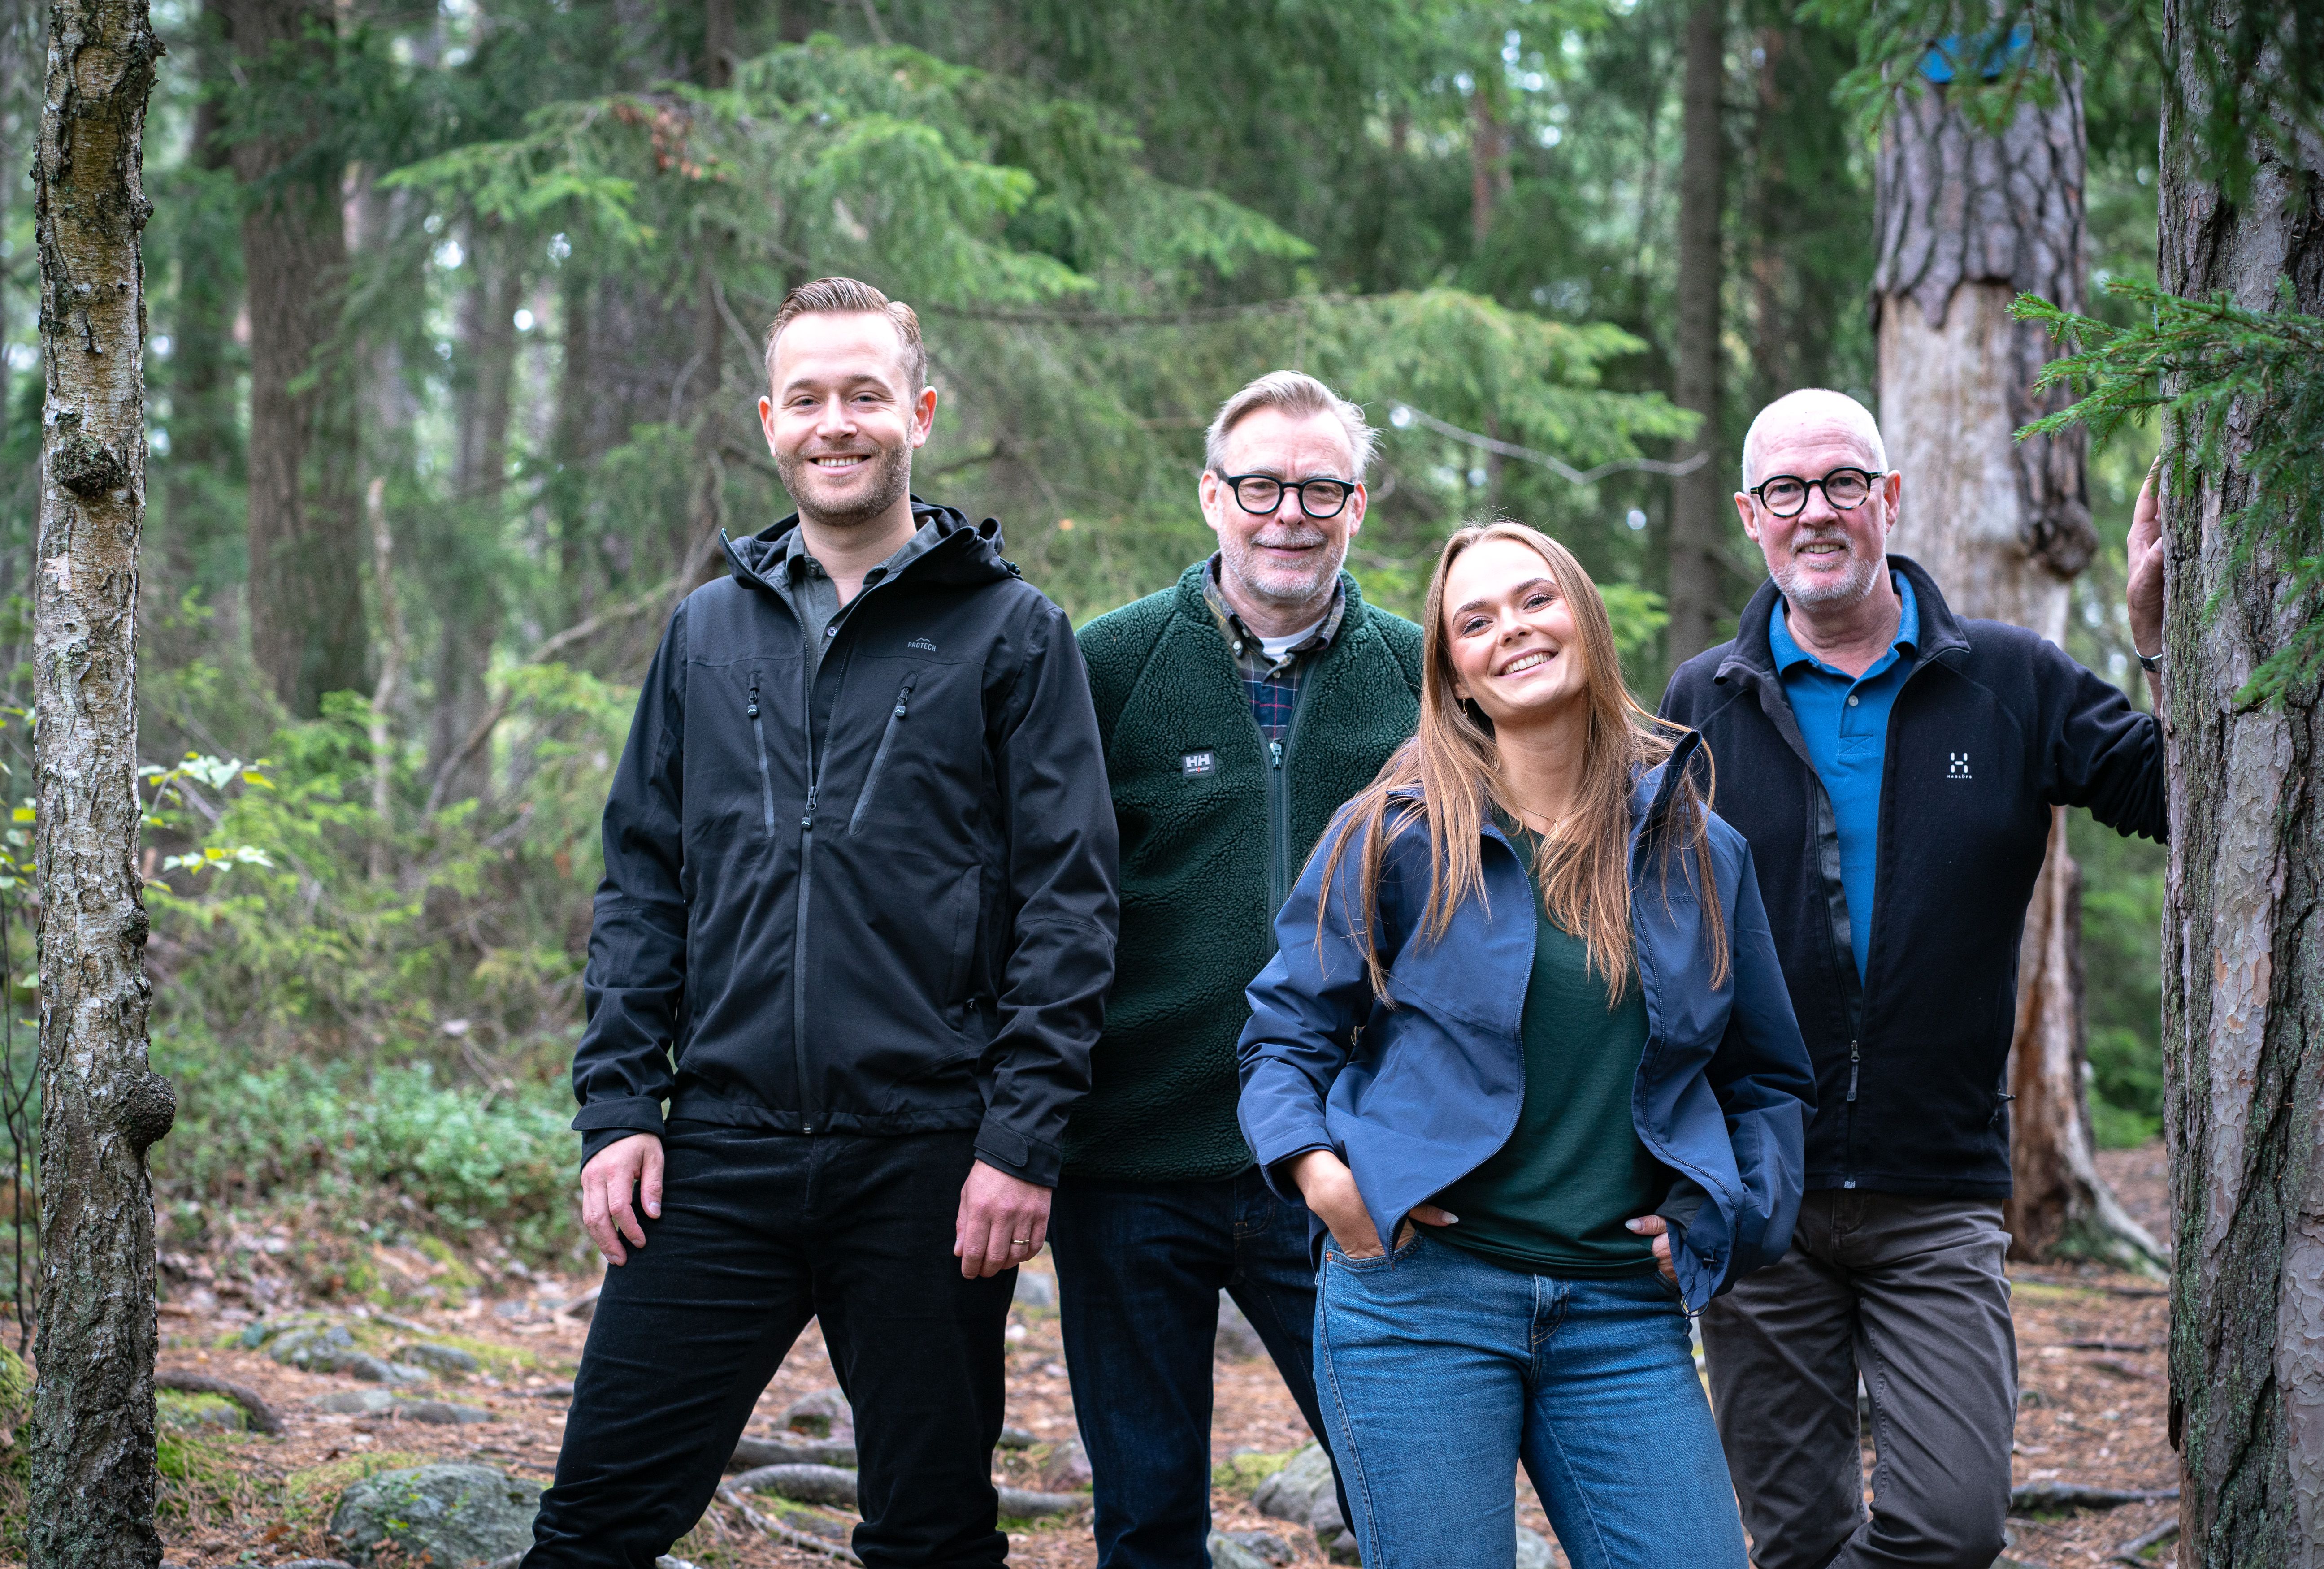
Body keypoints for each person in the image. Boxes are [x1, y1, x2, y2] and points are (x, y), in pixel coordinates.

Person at [527, 277, 1121, 1569]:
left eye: (864, 394)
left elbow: (1070, 907)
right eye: (806, 398)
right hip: (717, 1149)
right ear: (769, 421)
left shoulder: (1013, 634)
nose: (834, 422)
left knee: (931, 1534)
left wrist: (1020, 1141)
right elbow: (642, 885)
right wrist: (619, 1107)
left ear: (919, 411)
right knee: (591, 1524)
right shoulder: (705, 630)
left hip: (928, 1159)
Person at [1237, 520, 1815, 1569]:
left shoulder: (1697, 849)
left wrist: (1724, 1217)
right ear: (1453, 674)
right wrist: (1323, 1179)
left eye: (1534, 599)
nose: (1511, 629)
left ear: (1583, 617)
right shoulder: (1391, 832)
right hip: (1419, 1301)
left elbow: (1765, 1079)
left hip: (1621, 1310)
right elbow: (1283, 1034)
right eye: (1475, 621)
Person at [1659, 387, 2168, 1569]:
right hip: (1760, 1189)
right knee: (1795, 1539)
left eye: (1843, 481)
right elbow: (1654, 939)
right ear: (1749, 514)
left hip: (1936, 1190)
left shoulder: (2011, 677)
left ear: (1887, 497)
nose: (1816, 511)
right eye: (1786, 489)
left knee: (1951, 1523)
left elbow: (2178, 793)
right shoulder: (1701, 698)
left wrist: (2152, 643)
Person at [1052, 371, 1422, 1568]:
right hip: (1130, 1159)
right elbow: (1039, 899)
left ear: (1356, 506)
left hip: (1344, 1159)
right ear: (1212, 495)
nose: (1288, 514)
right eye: (1261, 486)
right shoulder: (1107, 664)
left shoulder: (1424, 675)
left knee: (1404, 1489)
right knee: (1147, 1515)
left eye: (1320, 490)